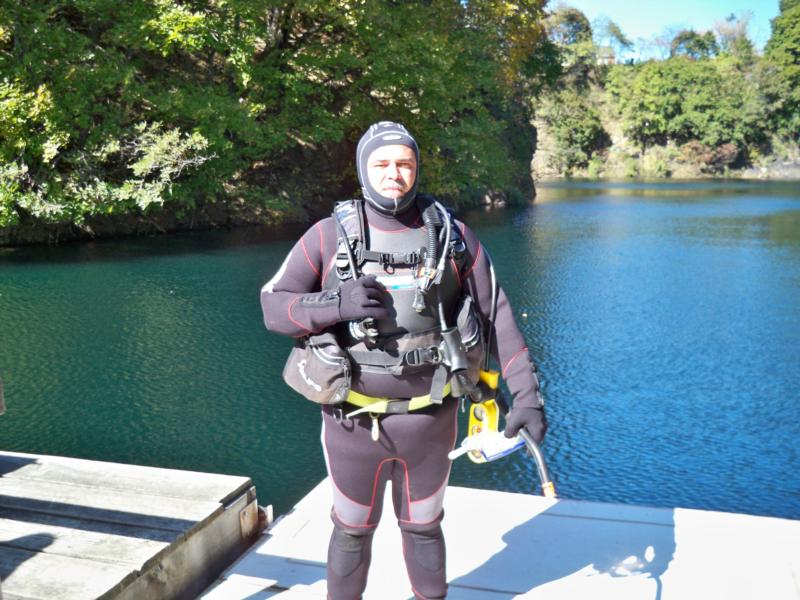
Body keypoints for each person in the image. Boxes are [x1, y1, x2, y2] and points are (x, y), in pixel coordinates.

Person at [261, 121, 546, 599]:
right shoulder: (328, 237)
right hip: (351, 422)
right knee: (351, 529)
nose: (394, 173)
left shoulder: (454, 238)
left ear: (416, 168)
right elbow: (274, 309)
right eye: (382, 163)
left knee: (424, 527)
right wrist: (336, 304)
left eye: (404, 163)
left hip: (432, 420)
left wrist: (528, 398)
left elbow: (497, 315)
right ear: (363, 169)